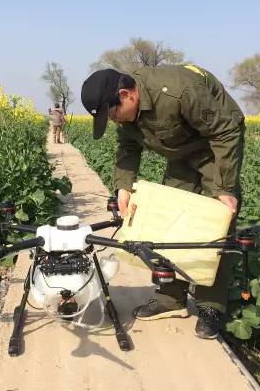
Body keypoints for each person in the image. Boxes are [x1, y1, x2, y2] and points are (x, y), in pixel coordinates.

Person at [80, 65, 245, 339]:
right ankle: (171, 299)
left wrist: (225, 187)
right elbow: (128, 147)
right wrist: (123, 187)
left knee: (216, 223)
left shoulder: (178, 92)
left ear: (126, 95)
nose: (115, 121)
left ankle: (211, 306)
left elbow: (225, 131)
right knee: (171, 219)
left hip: (216, 143)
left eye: (113, 114)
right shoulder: (128, 116)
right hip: (181, 150)